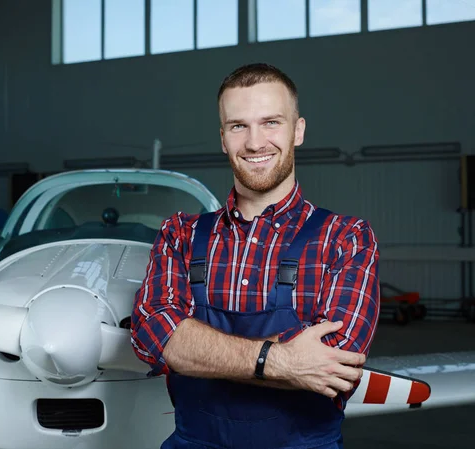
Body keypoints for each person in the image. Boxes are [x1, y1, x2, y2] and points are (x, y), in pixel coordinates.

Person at [130, 62, 380, 449]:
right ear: (223, 138)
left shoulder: (346, 238)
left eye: (271, 123)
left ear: (297, 131)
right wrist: (281, 362)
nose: (254, 142)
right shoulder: (180, 234)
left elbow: (334, 363)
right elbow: (155, 336)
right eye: (238, 126)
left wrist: (201, 350)